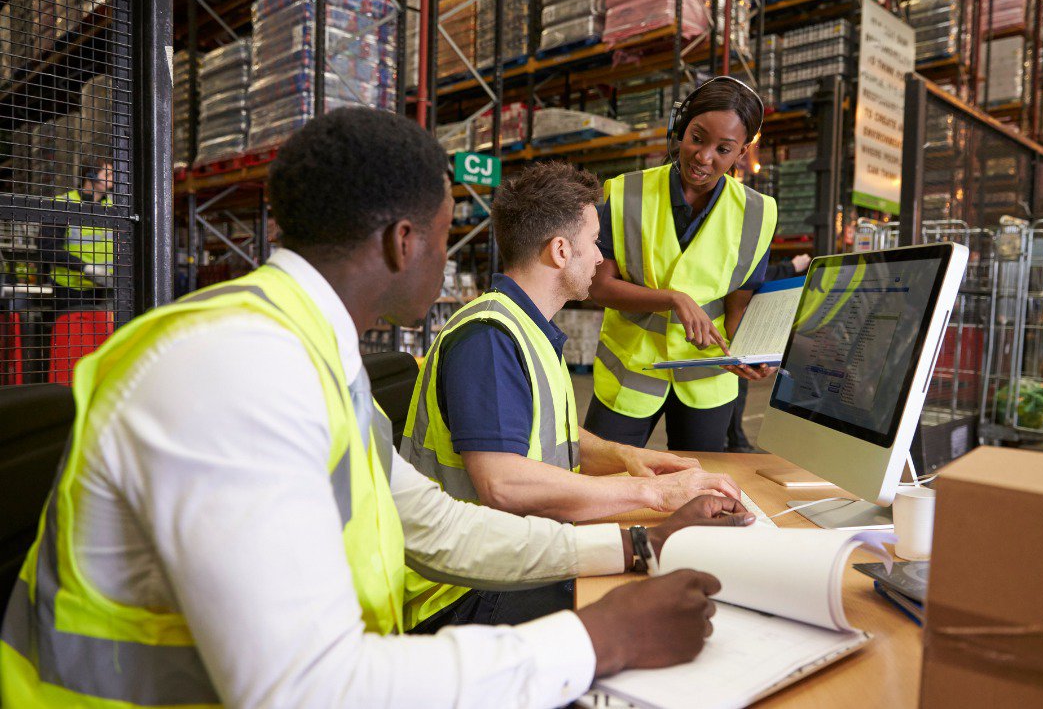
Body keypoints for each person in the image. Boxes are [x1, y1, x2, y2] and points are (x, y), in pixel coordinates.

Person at [0, 108, 756, 708]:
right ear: (403, 242)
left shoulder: (314, 352)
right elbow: (304, 690)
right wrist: (595, 641)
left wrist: (636, 548)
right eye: (443, 231)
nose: (451, 252)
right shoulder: (235, 368)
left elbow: (434, 525)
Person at [401, 161, 743, 628]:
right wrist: (654, 493)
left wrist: (626, 457)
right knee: (672, 597)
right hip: (464, 592)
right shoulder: (488, 338)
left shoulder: (525, 327)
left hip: (510, 562)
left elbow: (549, 436)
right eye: (594, 242)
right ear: (561, 251)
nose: (601, 257)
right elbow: (504, 483)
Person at [586, 76, 778, 452]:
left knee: (699, 490)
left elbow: (738, 303)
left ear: (741, 154)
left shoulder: (758, 213)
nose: (704, 157)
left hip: (706, 378)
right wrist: (672, 299)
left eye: (723, 149)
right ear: (680, 129)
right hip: (630, 371)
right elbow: (599, 287)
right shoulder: (625, 192)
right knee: (598, 476)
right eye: (697, 138)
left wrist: (749, 352)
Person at [726, 252, 812, 452]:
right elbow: (756, 276)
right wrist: (790, 267)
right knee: (738, 386)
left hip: (732, 342)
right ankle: (736, 441)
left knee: (738, 387)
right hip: (726, 342)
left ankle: (736, 439)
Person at [39, 162, 115, 312]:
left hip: (106, 288)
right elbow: (47, 248)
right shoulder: (63, 203)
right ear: (91, 177)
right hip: (70, 290)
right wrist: (85, 268)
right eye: (108, 175)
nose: (114, 179)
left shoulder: (114, 207)